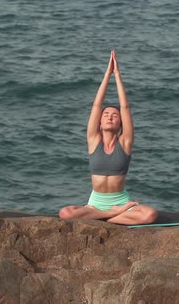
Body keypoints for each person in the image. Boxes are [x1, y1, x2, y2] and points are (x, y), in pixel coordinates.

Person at [59, 50, 158, 225]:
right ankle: (111, 215)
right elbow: (97, 105)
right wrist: (107, 74)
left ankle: (105, 215)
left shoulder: (125, 142)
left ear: (120, 123)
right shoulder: (93, 140)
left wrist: (117, 74)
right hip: (95, 203)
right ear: (100, 121)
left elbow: (125, 106)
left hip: (120, 201)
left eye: (114, 115)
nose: (110, 117)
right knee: (65, 213)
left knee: (150, 215)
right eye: (106, 114)